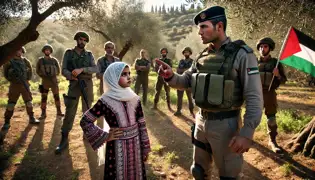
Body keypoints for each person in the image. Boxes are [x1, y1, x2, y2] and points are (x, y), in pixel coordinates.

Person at [156, 6, 263, 180]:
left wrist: (247, 132)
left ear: (219, 26)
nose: (199, 32)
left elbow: (254, 97)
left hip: (226, 125)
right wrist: (170, 76)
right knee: (198, 171)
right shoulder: (201, 56)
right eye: (199, 28)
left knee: (228, 176)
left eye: (204, 27)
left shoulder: (242, 55)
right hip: (200, 122)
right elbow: (185, 81)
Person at [80, 62, 151, 180]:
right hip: (116, 149)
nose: (128, 76)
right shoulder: (105, 100)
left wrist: (145, 147)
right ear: (113, 77)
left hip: (136, 147)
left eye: (129, 73)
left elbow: (141, 124)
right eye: (123, 74)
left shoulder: (134, 98)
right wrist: (105, 136)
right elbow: (85, 121)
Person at [55, 31, 98, 154]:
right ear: (76, 40)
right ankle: (64, 138)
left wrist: (82, 69)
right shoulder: (69, 53)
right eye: (80, 39)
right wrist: (70, 75)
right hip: (74, 84)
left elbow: (95, 68)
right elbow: (63, 69)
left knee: (88, 111)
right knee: (70, 111)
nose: (82, 42)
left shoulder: (89, 55)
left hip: (87, 85)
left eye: (84, 40)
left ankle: (88, 134)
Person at [257, 37, 287, 153]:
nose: (262, 49)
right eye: (260, 47)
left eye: (265, 46)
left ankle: (272, 141)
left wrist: (278, 74)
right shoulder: (254, 62)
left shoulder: (276, 63)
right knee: (251, 117)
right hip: (256, 94)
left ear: (270, 48)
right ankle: (247, 138)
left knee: (271, 118)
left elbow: (283, 80)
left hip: (269, 94)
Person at [2, 47, 40, 130]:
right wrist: (12, 80)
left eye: (20, 50)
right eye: (16, 50)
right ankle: (7, 122)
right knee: (11, 104)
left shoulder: (25, 61)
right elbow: (5, 73)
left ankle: (32, 118)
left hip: (25, 84)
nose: (18, 52)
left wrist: (27, 80)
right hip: (14, 85)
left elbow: (30, 72)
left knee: (29, 102)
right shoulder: (9, 61)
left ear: (22, 51)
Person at [36, 44, 64, 119]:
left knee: (56, 97)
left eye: (48, 50)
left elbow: (58, 70)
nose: (47, 51)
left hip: (54, 81)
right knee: (44, 98)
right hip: (45, 81)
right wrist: (43, 75)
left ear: (50, 51)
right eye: (46, 50)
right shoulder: (40, 60)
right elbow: (37, 70)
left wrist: (54, 75)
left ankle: (59, 111)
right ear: (44, 51)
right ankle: (43, 113)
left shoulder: (54, 60)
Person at [174, 47, 195, 118]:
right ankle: (178, 110)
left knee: (189, 97)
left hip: (189, 82)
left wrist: (183, 70)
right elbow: (178, 70)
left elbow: (192, 71)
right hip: (180, 81)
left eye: (188, 52)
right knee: (179, 97)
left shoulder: (192, 61)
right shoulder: (181, 61)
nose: (186, 53)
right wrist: (184, 70)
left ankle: (191, 111)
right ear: (183, 53)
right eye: (185, 52)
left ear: (190, 53)